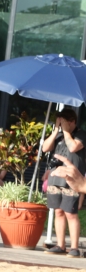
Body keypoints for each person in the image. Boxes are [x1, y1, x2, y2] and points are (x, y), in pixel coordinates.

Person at [42, 108, 86, 257]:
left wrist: (66, 131)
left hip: (72, 180)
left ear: (72, 121)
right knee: (58, 211)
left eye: (64, 122)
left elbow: (73, 147)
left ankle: (74, 248)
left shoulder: (81, 134)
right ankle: (60, 245)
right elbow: (45, 148)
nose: (62, 126)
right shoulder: (59, 135)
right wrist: (56, 131)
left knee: (70, 212)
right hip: (55, 178)